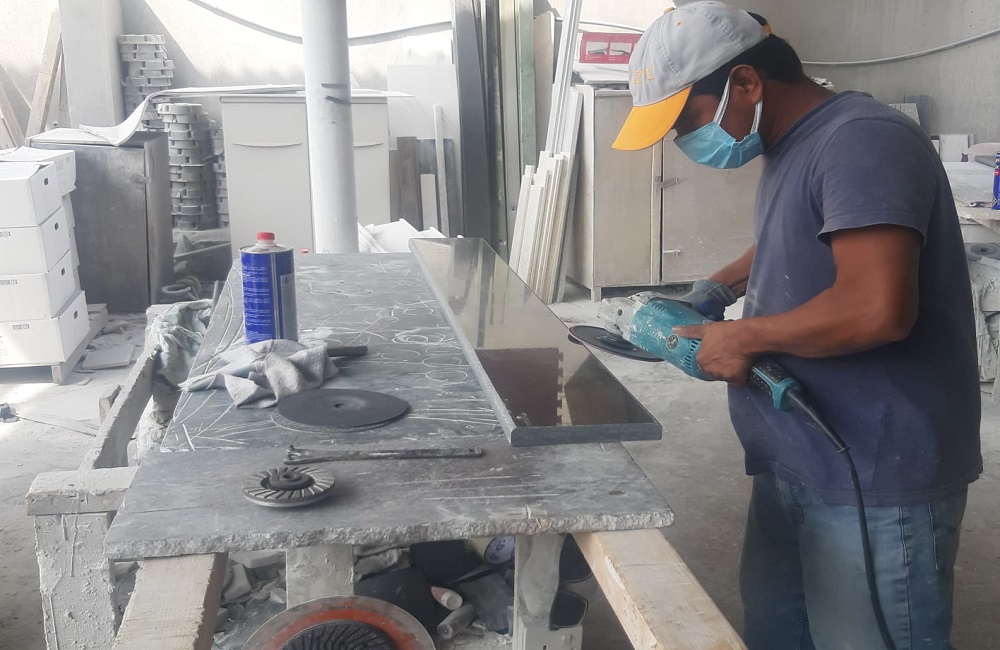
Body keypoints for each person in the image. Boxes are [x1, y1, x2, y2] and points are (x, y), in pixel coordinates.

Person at [612, 3, 982, 649]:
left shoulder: (863, 140)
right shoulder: (796, 142)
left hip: (872, 469)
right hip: (799, 455)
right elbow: (803, 233)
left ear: (745, 83)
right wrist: (719, 288)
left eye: (687, 121)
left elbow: (876, 308)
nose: (683, 142)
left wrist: (742, 336)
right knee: (780, 631)